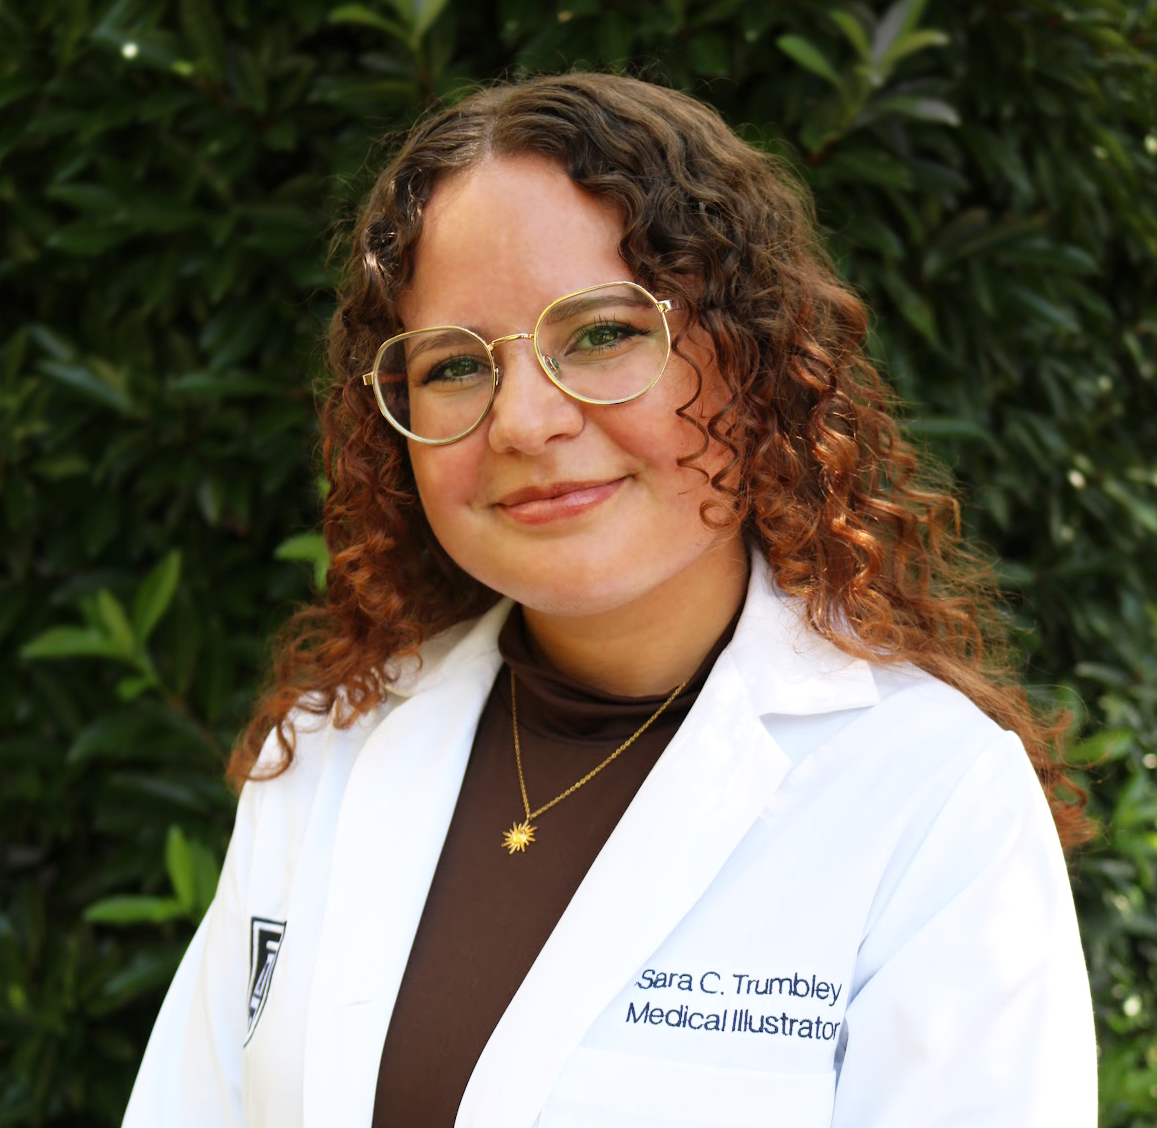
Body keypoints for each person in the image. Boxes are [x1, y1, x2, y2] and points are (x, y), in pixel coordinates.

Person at [123, 72, 1097, 1128]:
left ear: (750, 356)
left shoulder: (930, 799)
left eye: (599, 334)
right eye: (455, 364)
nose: (524, 421)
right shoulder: (326, 754)